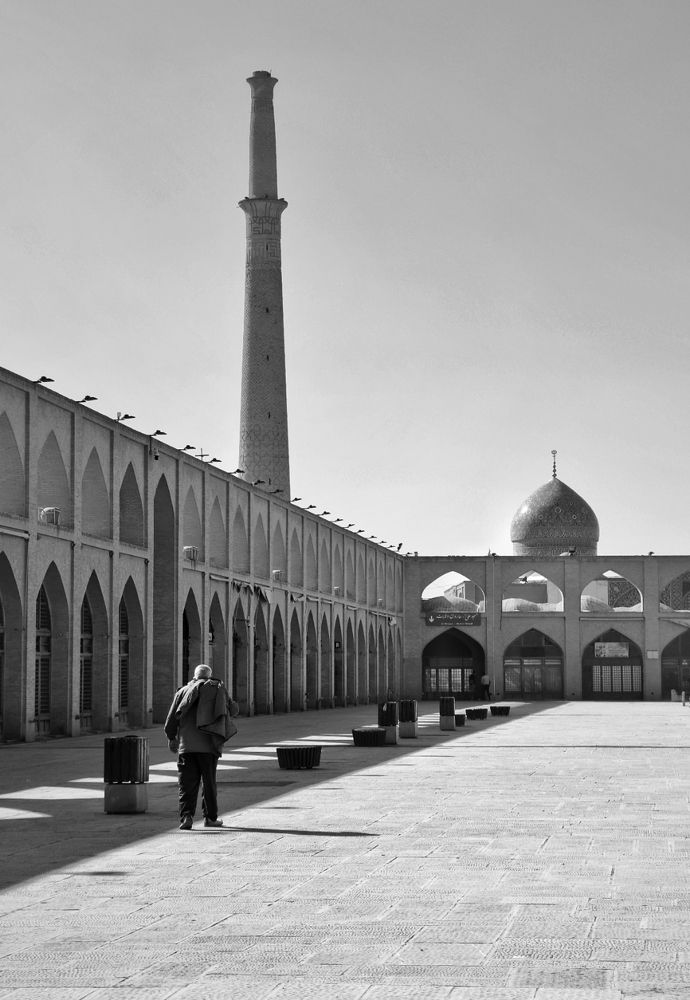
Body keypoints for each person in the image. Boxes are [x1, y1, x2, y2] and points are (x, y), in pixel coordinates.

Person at [164, 664, 238, 831]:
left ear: (194, 677)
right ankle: (210, 818)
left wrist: (171, 738)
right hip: (209, 747)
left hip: (186, 748)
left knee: (186, 785)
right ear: (210, 677)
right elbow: (234, 710)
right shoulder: (217, 689)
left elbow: (170, 721)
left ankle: (186, 817)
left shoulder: (182, 692)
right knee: (209, 783)